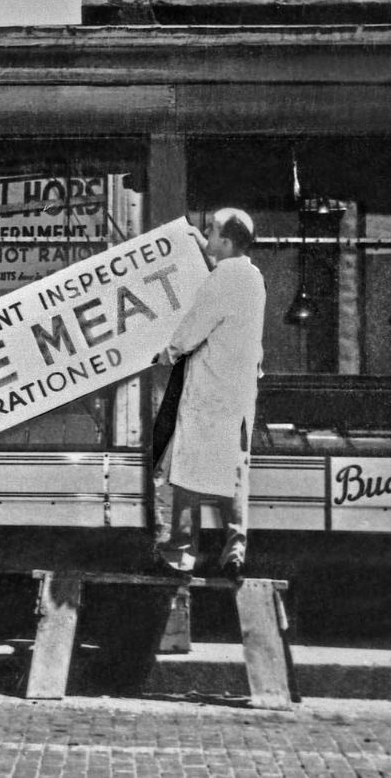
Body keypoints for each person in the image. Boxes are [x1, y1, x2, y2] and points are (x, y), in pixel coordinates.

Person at [153, 208, 265, 581]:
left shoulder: (221, 280)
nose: (206, 233)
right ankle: (235, 552)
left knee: (186, 474)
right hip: (239, 395)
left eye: (212, 231)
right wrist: (201, 246)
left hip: (209, 395)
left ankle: (181, 553)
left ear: (228, 242)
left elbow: (194, 327)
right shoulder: (252, 277)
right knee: (233, 474)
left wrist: (166, 353)